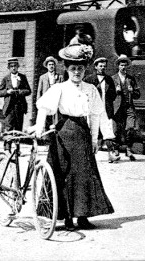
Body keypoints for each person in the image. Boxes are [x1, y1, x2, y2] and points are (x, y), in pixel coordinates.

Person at [33, 42, 114, 230]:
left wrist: (95, 139)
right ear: (67, 69)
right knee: (64, 175)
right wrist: (38, 129)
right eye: (73, 69)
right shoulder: (60, 88)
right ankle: (67, 216)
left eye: (80, 68)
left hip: (83, 133)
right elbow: (43, 108)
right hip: (64, 133)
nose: (77, 72)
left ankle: (83, 216)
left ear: (85, 69)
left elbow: (95, 115)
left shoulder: (91, 89)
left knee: (84, 175)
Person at [85, 57, 119, 163]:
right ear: (96, 67)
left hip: (106, 110)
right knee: (91, 133)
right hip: (93, 110)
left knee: (108, 132)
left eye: (104, 66)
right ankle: (88, 156)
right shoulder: (89, 79)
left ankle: (111, 155)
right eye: (100, 66)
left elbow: (113, 95)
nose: (102, 68)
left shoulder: (109, 79)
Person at [111, 55, 141, 161]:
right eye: (121, 65)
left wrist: (132, 91)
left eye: (125, 65)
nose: (123, 67)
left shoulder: (131, 79)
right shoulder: (113, 79)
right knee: (116, 131)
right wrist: (116, 91)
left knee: (130, 128)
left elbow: (138, 95)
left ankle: (128, 149)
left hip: (128, 107)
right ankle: (116, 150)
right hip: (117, 108)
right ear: (118, 66)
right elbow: (108, 94)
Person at [0, 58, 31, 150]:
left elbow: (28, 90)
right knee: (9, 127)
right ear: (9, 68)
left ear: (18, 67)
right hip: (9, 107)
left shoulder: (23, 77)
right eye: (11, 66)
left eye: (15, 66)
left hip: (20, 106)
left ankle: (17, 149)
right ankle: (7, 148)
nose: (13, 68)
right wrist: (7, 92)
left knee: (18, 128)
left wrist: (20, 91)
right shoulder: (6, 78)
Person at [31, 56, 65, 127]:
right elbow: (39, 92)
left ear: (55, 65)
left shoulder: (60, 77)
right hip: (46, 103)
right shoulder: (42, 77)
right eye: (49, 65)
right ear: (46, 66)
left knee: (56, 122)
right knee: (46, 121)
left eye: (52, 64)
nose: (51, 66)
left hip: (56, 103)